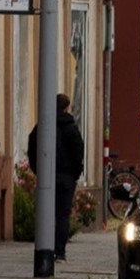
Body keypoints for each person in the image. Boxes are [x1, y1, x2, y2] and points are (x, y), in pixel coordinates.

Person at [26, 93, 86, 262]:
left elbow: (32, 147)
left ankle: (45, 248)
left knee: (46, 213)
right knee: (62, 215)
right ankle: (59, 251)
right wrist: (74, 174)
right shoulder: (71, 129)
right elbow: (78, 153)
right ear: (67, 108)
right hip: (66, 179)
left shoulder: (42, 126)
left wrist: (37, 169)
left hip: (47, 176)